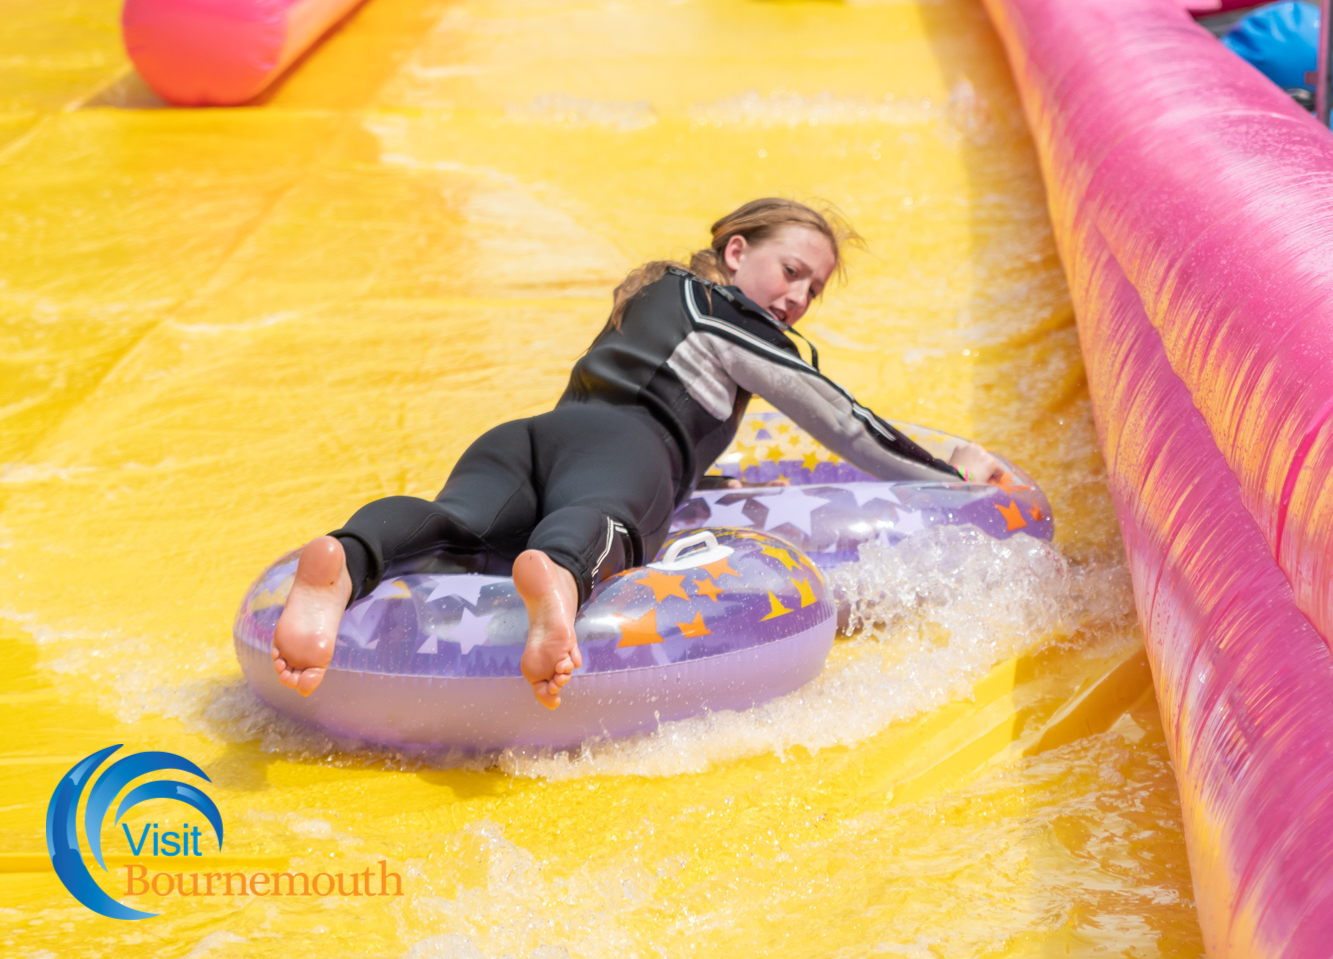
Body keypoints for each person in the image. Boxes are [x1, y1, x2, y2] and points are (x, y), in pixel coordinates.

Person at [269, 198, 1007, 709]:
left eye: (813, 289)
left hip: (524, 438)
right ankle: (557, 574)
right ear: (737, 251)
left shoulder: (656, 292)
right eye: (791, 271)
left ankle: (346, 558)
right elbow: (840, 420)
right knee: (603, 517)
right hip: (629, 445)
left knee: (453, 521)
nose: (798, 298)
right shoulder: (734, 322)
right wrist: (949, 478)